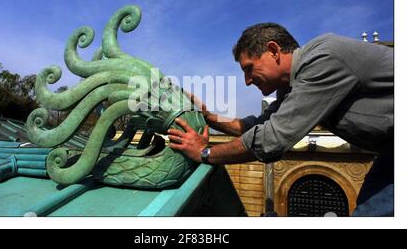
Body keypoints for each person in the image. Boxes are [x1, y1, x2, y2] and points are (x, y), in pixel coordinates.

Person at [168, 23, 394, 217]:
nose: (247, 81)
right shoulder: (291, 87)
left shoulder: (324, 59)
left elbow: (271, 139)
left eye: (249, 69)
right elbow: (256, 127)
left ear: (273, 50)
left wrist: (204, 153)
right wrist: (208, 117)